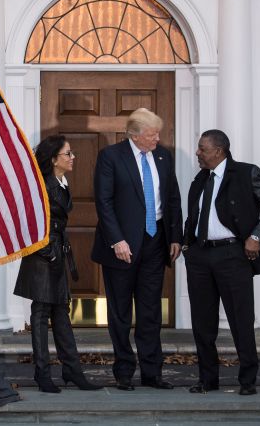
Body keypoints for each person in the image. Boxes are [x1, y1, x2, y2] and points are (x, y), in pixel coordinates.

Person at [182, 129, 260, 396]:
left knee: (240, 319)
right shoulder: (200, 179)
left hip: (232, 255)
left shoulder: (246, 173)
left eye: (202, 148)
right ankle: (208, 379)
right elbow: (194, 215)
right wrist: (186, 244)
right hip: (200, 257)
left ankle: (247, 380)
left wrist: (256, 237)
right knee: (202, 322)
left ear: (219, 150)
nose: (197, 153)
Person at [91, 108, 183, 391]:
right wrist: (116, 240)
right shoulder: (111, 156)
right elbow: (103, 202)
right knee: (120, 312)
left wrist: (175, 237)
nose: (157, 138)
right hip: (122, 246)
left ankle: (152, 372)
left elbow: (173, 199)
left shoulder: (163, 156)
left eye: (158, 133)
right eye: (152, 134)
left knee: (150, 309)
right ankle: (123, 372)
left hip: (155, 242)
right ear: (135, 135)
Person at [13, 135, 101, 393]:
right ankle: (42, 373)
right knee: (41, 313)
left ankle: (72, 370)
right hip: (43, 255)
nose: (73, 158)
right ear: (54, 159)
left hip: (56, 253)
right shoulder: (42, 184)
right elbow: (31, 220)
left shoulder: (60, 182)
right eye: (68, 154)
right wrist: (49, 252)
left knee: (61, 311)